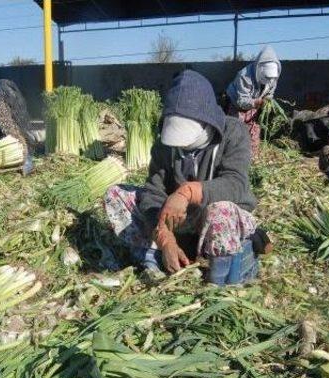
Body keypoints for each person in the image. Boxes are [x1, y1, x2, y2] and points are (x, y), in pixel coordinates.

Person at [104, 70, 264, 286]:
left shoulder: (233, 132)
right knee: (116, 195)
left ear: (205, 121)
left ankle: (217, 281)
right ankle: (154, 257)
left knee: (220, 211)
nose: (180, 145)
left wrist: (186, 192)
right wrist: (163, 235)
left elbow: (236, 184)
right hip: (180, 221)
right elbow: (154, 191)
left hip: (220, 224)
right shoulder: (164, 146)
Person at [225, 45, 282, 157]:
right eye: (267, 77)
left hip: (255, 105)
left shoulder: (273, 78)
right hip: (236, 104)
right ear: (259, 69)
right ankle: (233, 157)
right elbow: (242, 101)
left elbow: (270, 94)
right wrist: (257, 103)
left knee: (254, 131)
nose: (270, 81)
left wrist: (267, 100)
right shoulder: (244, 76)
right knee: (236, 131)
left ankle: (253, 157)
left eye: (272, 78)